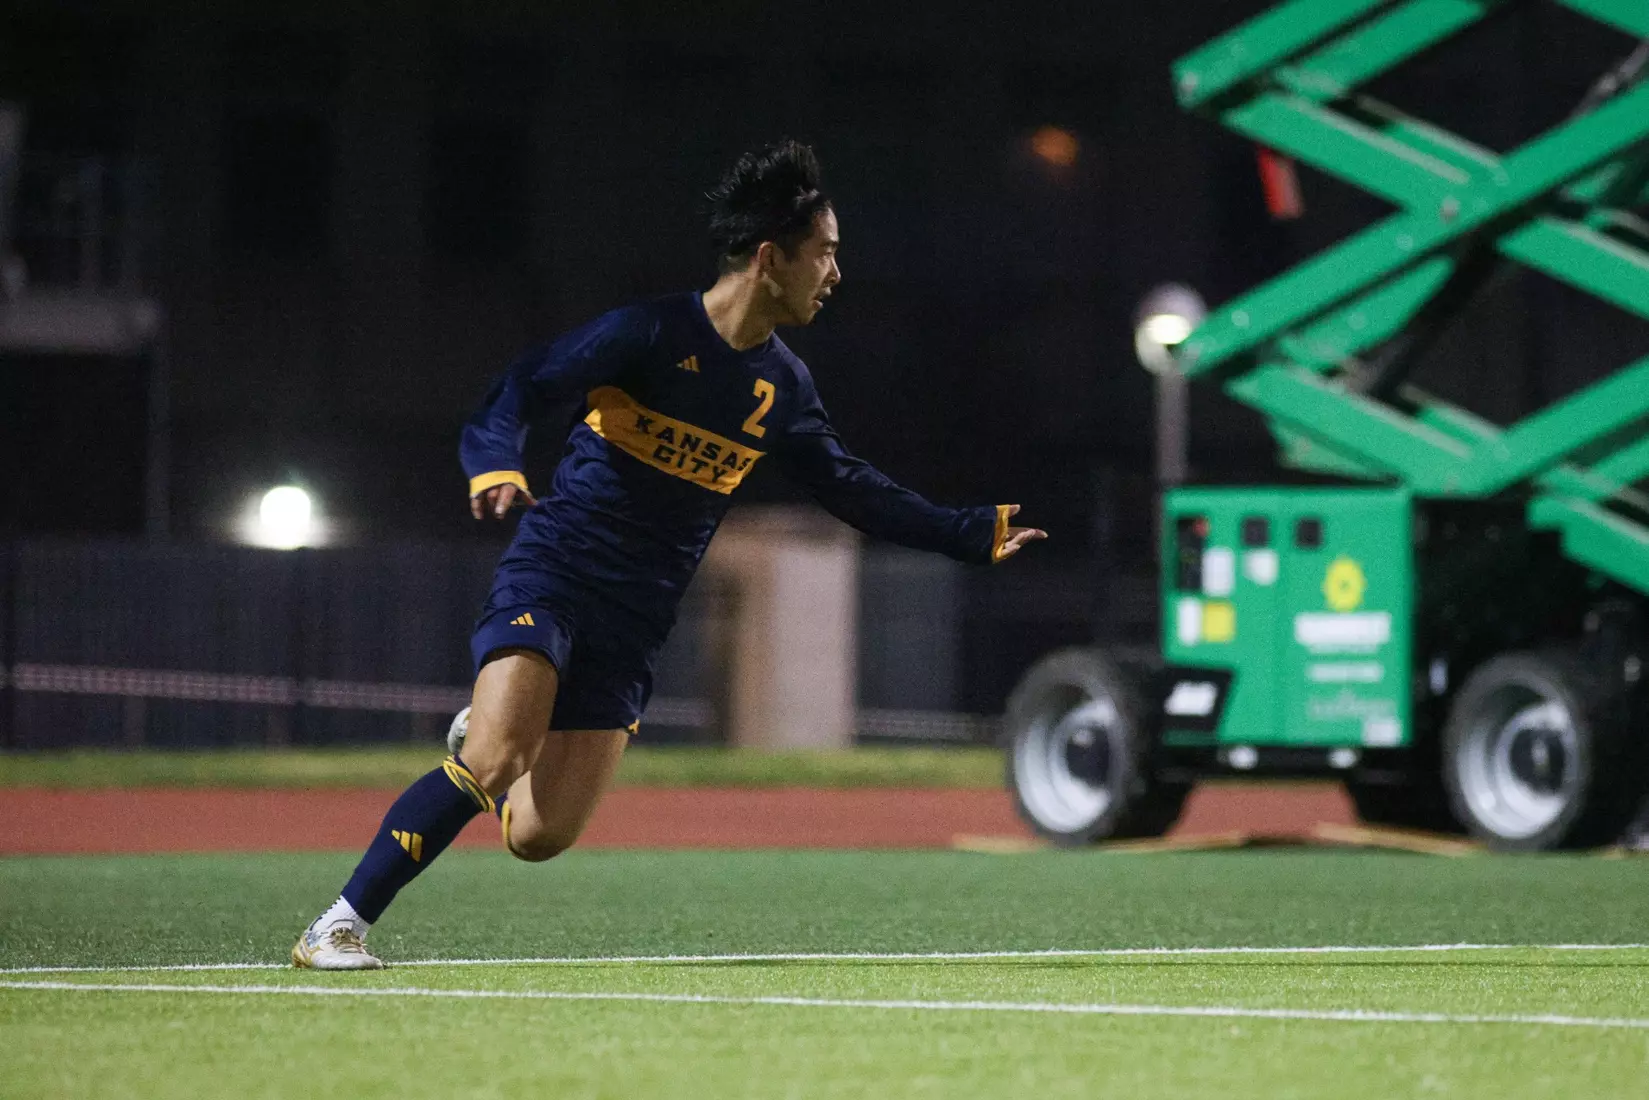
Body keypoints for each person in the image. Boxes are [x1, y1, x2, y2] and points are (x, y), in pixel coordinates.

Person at [293, 140, 1047, 969]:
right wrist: (494, 462)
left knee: (539, 838)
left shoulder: (783, 389)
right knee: (497, 754)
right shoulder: (649, 332)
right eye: (825, 254)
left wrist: (966, 531)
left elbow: (850, 487)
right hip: (557, 572)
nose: (835, 274)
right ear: (771, 258)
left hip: (635, 618)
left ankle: (493, 738)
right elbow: (522, 384)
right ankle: (339, 924)